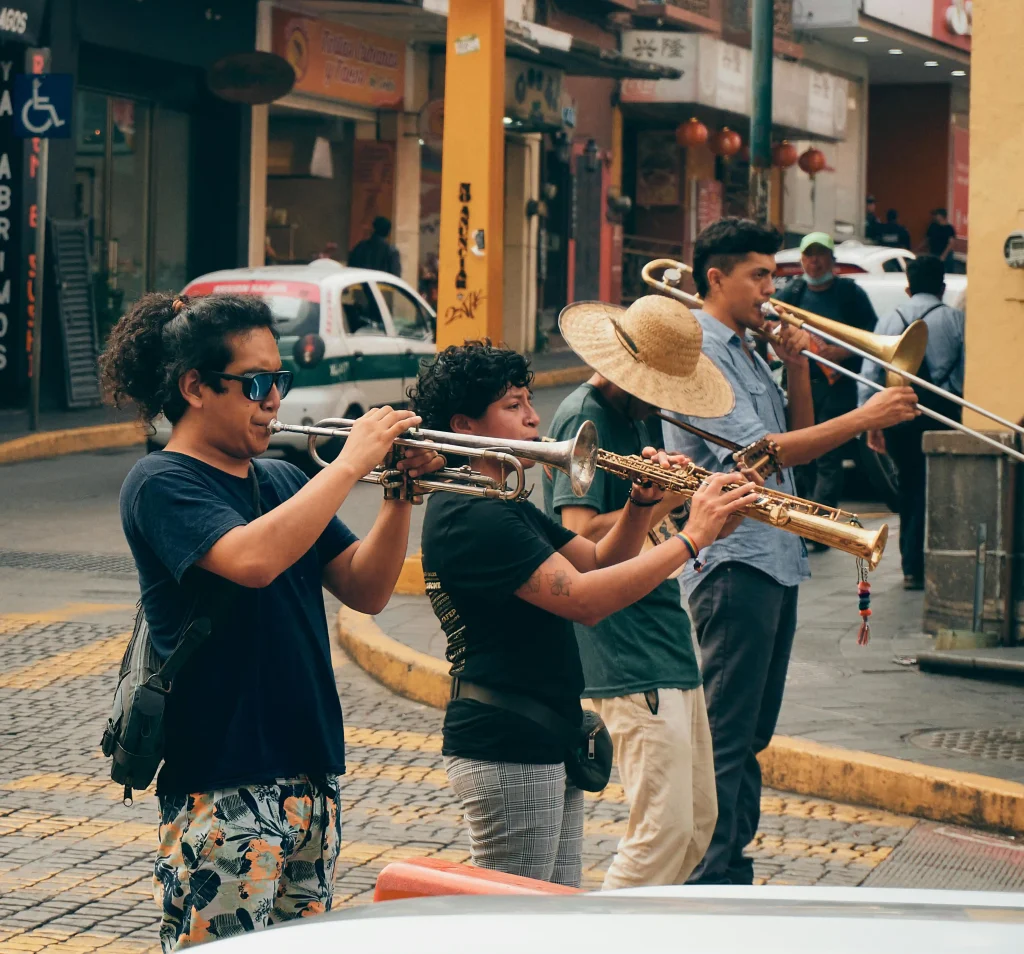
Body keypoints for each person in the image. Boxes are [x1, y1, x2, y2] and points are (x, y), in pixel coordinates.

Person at [101, 292, 443, 950]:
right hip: (221, 783)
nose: (274, 400)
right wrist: (350, 463)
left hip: (310, 772)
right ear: (195, 387)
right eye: (256, 383)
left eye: (280, 381)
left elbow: (367, 589)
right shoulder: (160, 482)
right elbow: (252, 559)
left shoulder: (285, 479)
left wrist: (398, 493)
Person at [410, 339, 759, 888]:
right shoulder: (471, 514)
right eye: (514, 406)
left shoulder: (505, 502)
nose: (534, 418)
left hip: (543, 735)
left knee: (553, 915)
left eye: (529, 402)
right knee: (518, 928)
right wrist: (693, 538)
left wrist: (643, 504)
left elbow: (598, 559)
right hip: (507, 745)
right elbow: (586, 600)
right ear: (465, 425)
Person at [661, 217, 919, 886]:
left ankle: (730, 864)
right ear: (715, 278)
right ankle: (707, 873)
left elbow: (795, 439)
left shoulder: (748, 349)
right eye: (759, 276)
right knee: (726, 730)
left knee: (751, 732)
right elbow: (758, 458)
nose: (773, 291)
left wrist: (798, 364)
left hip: (774, 556)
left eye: (773, 275)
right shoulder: (701, 354)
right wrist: (866, 416)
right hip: (733, 561)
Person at [544, 294, 758, 889]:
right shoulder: (581, 416)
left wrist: (703, 501)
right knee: (660, 831)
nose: (666, 400)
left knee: (696, 827)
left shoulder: (638, 415)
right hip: (625, 649)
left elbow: (646, 524)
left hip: (667, 635)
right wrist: (676, 506)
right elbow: (580, 537)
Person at [859, 255, 965, 591]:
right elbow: (965, 375)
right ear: (943, 287)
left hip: (899, 414)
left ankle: (911, 567)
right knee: (943, 489)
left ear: (907, 287)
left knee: (908, 488)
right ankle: (942, 560)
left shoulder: (890, 319)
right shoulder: (956, 319)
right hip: (943, 415)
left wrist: (868, 420)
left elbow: (870, 374)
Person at [773, 232, 879, 529]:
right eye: (809, 256)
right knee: (800, 455)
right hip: (801, 383)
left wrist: (841, 352)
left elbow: (871, 336)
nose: (814, 262)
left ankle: (820, 525)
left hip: (838, 387)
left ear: (832, 260)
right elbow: (766, 324)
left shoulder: (850, 293)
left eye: (820, 255)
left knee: (829, 456)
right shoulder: (791, 293)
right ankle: (802, 521)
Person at [921, 208, 957, 273]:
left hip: (946, 254)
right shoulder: (932, 226)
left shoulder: (949, 228)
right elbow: (927, 239)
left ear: (941, 216)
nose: (934, 217)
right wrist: (919, 248)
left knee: (948, 272)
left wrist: (944, 255)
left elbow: (951, 243)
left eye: (936, 215)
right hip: (933, 253)